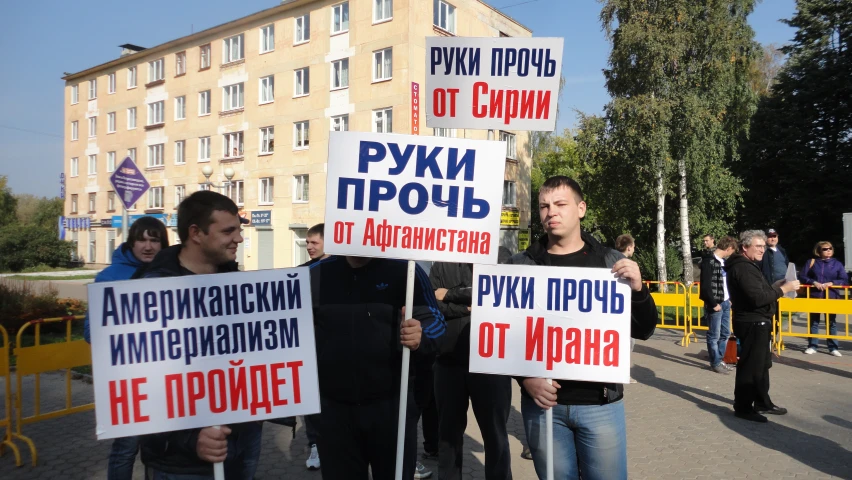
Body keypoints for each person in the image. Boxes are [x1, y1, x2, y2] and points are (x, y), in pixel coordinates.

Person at [505, 176, 657, 480]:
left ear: (581, 208)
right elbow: (505, 335)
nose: (552, 213)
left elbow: (644, 329)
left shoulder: (609, 263)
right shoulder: (521, 265)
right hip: (543, 404)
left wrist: (639, 291)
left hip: (600, 404)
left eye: (561, 204)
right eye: (544, 206)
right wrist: (524, 378)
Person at [138, 191, 261, 479]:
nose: (239, 239)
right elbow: (140, 390)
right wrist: (190, 439)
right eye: (229, 231)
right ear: (196, 233)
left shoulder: (238, 285)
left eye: (239, 230)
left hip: (242, 444)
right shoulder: (150, 292)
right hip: (181, 463)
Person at [309, 254, 446, 480]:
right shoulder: (314, 274)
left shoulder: (407, 270)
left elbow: (437, 324)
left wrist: (421, 336)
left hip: (393, 409)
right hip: (333, 412)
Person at [84, 216, 168, 480]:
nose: (148, 246)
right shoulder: (108, 277)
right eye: (141, 239)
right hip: (126, 382)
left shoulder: (171, 274)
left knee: (161, 450)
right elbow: (90, 333)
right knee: (125, 448)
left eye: (154, 240)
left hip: (163, 379)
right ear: (131, 243)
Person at [429, 247, 514, 480]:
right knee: (447, 435)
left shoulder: (500, 256)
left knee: (496, 435)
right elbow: (431, 303)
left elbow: (496, 292)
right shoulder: (442, 262)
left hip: (491, 363)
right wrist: (467, 307)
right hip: (448, 362)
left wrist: (448, 295)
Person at [725, 230, 799, 423]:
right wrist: (784, 289)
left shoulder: (750, 266)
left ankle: (762, 402)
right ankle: (743, 407)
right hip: (752, 322)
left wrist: (776, 285)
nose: (762, 250)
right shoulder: (743, 268)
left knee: (762, 365)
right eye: (758, 246)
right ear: (745, 247)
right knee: (750, 367)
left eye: (764, 246)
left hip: (758, 322)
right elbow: (758, 298)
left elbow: (760, 291)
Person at [798, 241, 847, 357]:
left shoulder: (837, 264)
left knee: (831, 323)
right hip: (815, 296)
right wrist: (813, 282)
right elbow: (803, 276)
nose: (828, 250)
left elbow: (844, 279)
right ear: (819, 251)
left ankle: (833, 347)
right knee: (814, 321)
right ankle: (812, 346)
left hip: (831, 296)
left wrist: (832, 283)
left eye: (830, 248)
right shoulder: (812, 262)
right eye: (825, 249)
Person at [699, 235, 737, 374]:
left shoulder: (722, 262)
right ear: (728, 248)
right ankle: (715, 362)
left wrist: (730, 298)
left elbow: (725, 283)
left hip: (725, 302)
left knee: (725, 333)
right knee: (714, 334)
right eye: (732, 251)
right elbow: (705, 286)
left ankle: (720, 359)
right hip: (715, 304)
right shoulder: (709, 261)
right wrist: (713, 303)